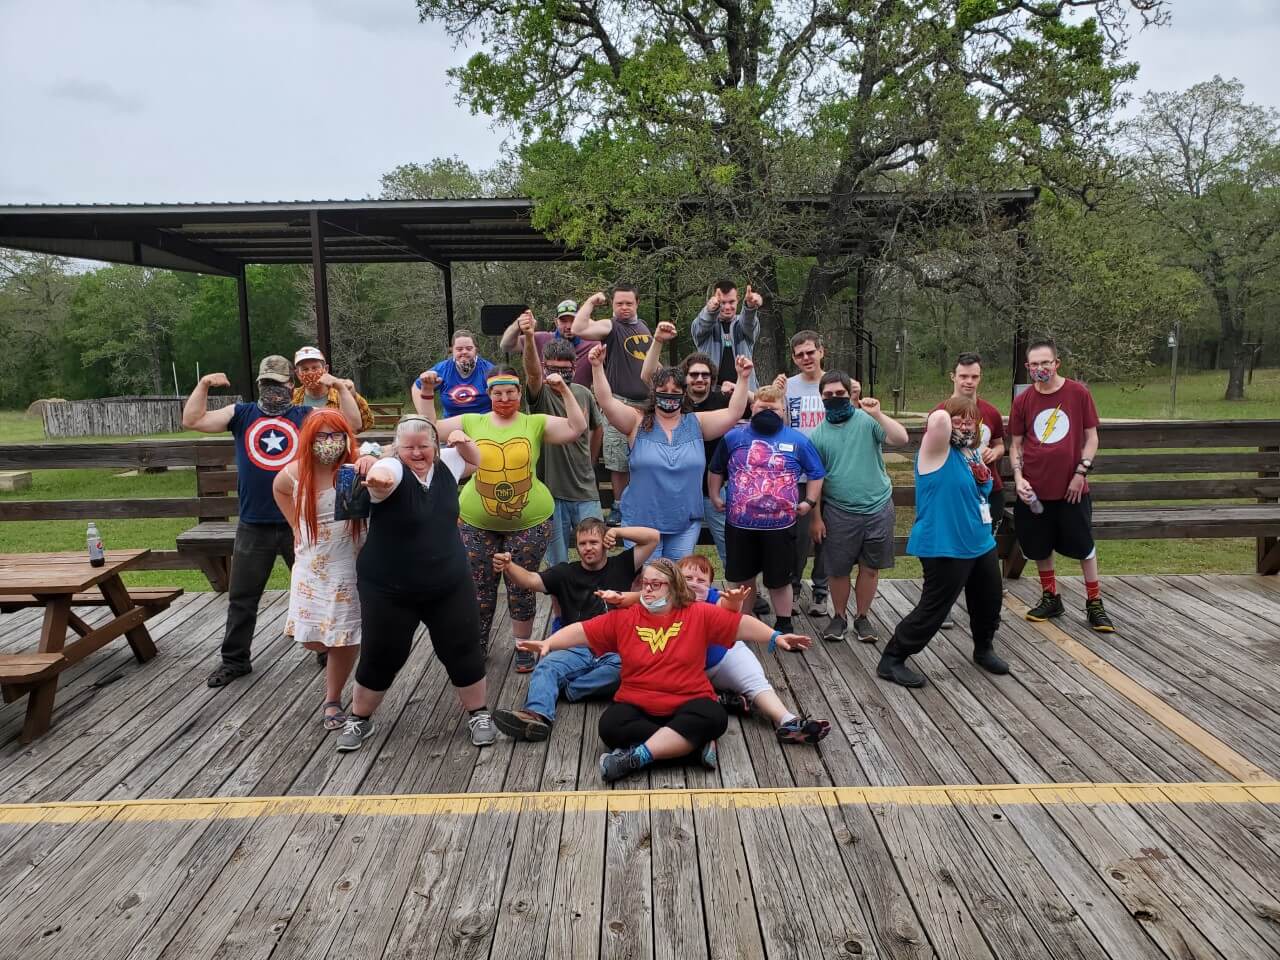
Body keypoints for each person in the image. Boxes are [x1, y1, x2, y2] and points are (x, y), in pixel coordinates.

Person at [515, 559, 813, 783]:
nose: (647, 589)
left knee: (714, 716)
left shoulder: (697, 613)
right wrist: (549, 643)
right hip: (639, 704)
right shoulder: (626, 618)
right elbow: (583, 630)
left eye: (656, 584)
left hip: (688, 701)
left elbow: (739, 624)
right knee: (610, 726)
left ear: (673, 587)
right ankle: (691, 747)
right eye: (645, 583)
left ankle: (638, 756)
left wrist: (775, 636)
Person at [181, 356, 361, 689]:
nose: (273, 391)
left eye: (279, 384)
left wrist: (338, 386)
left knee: (319, 588)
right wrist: (204, 384)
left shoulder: (305, 415)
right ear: (259, 385)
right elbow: (193, 419)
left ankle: (326, 648)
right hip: (254, 522)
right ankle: (234, 660)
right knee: (242, 596)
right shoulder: (241, 413)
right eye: (266, 384)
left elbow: (352, 423)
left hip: (302, 521)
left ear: (291, 385)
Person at [342, 415, 494, 750]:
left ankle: (479, 714)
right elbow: (384, 477)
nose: (416, 453)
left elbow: (477, 460)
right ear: (396, 448)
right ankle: (359, 718)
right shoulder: (392, 468)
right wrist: (377, 479)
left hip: (448, 582)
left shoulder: (448, 463)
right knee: (382, 653)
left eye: (423, 446)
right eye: (408, 447)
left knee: (463, 648)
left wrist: (464, 440)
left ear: (435, 447)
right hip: (389, 588)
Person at [426, 365, 587, 670]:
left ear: (519, 392)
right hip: (476, 522)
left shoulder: (534, 422)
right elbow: (429, 428)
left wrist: (563, 390)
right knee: (478, 586)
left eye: (510, 392)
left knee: (521, 584)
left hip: (530, 522)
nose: (504, 398)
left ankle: (523, 645)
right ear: (488, 394)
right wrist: (425, 393)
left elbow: (576, 428)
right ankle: (476, 645)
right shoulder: (472, 421)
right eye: (497, 393)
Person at [876, 397, 1009, 688]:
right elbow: (938, 421)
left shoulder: (970, 453)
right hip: (944, 543)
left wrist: (965, 422)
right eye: (958, 419)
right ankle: (893, 658)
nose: (964, 424)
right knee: (934, 609)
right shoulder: (935, 450)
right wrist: (956, 406)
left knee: (989, 601)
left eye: (970, 420)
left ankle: (984, 648)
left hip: (980, 540)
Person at [490, 519, 659, 741]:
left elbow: (653, 537)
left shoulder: (623, 564)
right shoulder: (565, 573)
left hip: (615, 649)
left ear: (604, 543)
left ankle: (567, 689)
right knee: (547, 666)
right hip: (576, 646)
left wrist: (616, 531)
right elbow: (530, 580)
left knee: (633, 669)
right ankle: (536, 716)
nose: (588, 548)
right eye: (582, 543)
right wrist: (509, 566)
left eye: (593, 542)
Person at [593, 342, 752, 561]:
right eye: (663, 391)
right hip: (641, 522)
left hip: (684, 523)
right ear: (654, 393)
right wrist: (597, 367)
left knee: (678, 578)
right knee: (649, 578)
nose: (669, 396)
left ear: (684, 394)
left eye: (675, 392)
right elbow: (606, 401)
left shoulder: (696, 423)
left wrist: (743, 378)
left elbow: (734, 413)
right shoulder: (636, 421)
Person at [1010, 340, 1114, 632]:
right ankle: (1050, 597)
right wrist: (1018, 478)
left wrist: (1082, 472)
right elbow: (1016, 444)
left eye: (1045, 362)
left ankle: (1094, 602)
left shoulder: (1077, 393)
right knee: (1040, 545)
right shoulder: (1023, 401)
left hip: (1072, 489)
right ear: (1028, 367)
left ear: (1056, 363)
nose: (1040, 368)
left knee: (1083, 545)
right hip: (1035, 490)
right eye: (1034, 364)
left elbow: (1091, 438)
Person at [272, 409, 365, 729]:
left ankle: (332, 699)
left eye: (336, 435)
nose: (330, 442)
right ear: (309, 439)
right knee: (312, 639)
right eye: (322, 436)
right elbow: (279, 489)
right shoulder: (296, 472)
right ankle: (339, 652)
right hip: (312, 563)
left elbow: (391, 461)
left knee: (343, 637)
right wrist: (294, 525)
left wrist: (371, 458)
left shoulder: (354, 468)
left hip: (348, 562)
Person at [708, 384, 825, 635]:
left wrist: (810, 501)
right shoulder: (733, 437)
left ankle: (784, 623)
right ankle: (741, 623)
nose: (767, 412)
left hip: (780, 526)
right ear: (752, 408)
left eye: (774, 408)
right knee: (742, 578)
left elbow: (816, 472)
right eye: (762, 407)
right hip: (739, 524)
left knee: (779, 579)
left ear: (784, 411)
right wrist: (715, 494)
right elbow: (716, 468)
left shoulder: (797, 440)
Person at [678, 555, 831, 745]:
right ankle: (725, 700)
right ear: (675, 579)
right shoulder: (665, 602)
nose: (694, 584)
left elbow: (730, 612)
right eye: (687, 578)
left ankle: (789, 721)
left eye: (701, 580)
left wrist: (774, 635)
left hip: (723, 657)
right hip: (686, 671)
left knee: (757, 684)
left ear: (710, 585)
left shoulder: (712, 597)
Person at [809, 372, 909, 644]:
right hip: (839, 511)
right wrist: (816, 518)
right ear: (821, 398)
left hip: (878, 507)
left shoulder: (868, 421)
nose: (834, 398)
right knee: (838, 570)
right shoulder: (817, 436)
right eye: (828, 395)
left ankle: (862, 617)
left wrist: (878, 414)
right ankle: (839, 617)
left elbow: (900, 439)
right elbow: (815, 481)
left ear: (849, 393)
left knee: (870, 567)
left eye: (839, 394)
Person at [516, 311, 605, 567]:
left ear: (574, 369)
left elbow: (597, 427)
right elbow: (533, 374)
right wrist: (529, 337)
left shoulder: (583, 393)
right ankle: (560, 598)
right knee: (558, 564)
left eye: (565, 370)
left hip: (585, 491)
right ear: (546, 367)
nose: (559, 375)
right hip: (550, 492)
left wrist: (591, 460)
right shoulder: (540, 393)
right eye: (553, 369)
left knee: (597, 556)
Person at [935, 352, 1007, 630]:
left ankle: (986, 611)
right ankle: (944, 605)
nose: (969, 381)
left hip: (988, 492)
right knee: (951, 551)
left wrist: (994, 453)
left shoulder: (990, 412)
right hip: (954, 495)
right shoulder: (940, 412)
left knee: (983, 552)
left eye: (974, 376)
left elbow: (1000, 444)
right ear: (952, 377)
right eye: (963, 376)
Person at [571, 285, 652, 507]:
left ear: (637, 303)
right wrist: (591, 302)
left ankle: (640, 505)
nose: (624, 307)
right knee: (619, 461)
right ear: (613, 305)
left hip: (647, 405)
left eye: (629, 303)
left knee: (644, 460)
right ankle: (619, 506)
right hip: (619, 403)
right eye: (619, 303)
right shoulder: (611, 326)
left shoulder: (644, 327)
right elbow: (578, 328)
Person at [774, 330, 833, 617]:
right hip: (797, 474)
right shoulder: (789, 387)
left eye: (811, 352)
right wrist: (777, 395)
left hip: (832, 470)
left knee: (827, 535)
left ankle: (821, 590)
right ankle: (794, 588)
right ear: (794, 358)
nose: (806, 358)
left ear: (821, 351)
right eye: (800, 355)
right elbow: (780, 425)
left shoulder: (835, 383)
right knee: (797, 537)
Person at [690, 279, 762, 393]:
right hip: (712, 395)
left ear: (738, 300)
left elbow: (749, 322)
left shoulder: (743, 326)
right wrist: (709, 311)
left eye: (731, 302)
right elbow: (702, 324)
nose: (727, 307)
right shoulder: (704, 328)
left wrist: (750, 308)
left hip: (744, 394)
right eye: (722, 303)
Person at [499, 298, 594, 385]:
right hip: (544, 396)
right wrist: (518, 324)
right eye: (563, 321)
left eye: (573, 320)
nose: (569, 326)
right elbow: (506, 346)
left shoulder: (592, 345)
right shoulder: (541, 339)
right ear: (556, 322)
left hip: (578, 398)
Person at [413, 329, 495, 419]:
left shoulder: (489, 370)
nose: (464, 352)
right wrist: (424, 418)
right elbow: (417, 386)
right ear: (452, 350)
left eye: (469, 348)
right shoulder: (443, 369)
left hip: (482, 422)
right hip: (451, 423)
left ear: (476, 349)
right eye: (459, 349)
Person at [291, 345, 376, 432]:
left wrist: (352, 396)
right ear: (298, 374)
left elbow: (366, 423)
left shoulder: (341, 394)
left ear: (326, 369)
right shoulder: (291, 397)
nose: (310, 372)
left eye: (315, 368)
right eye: (305, 369)